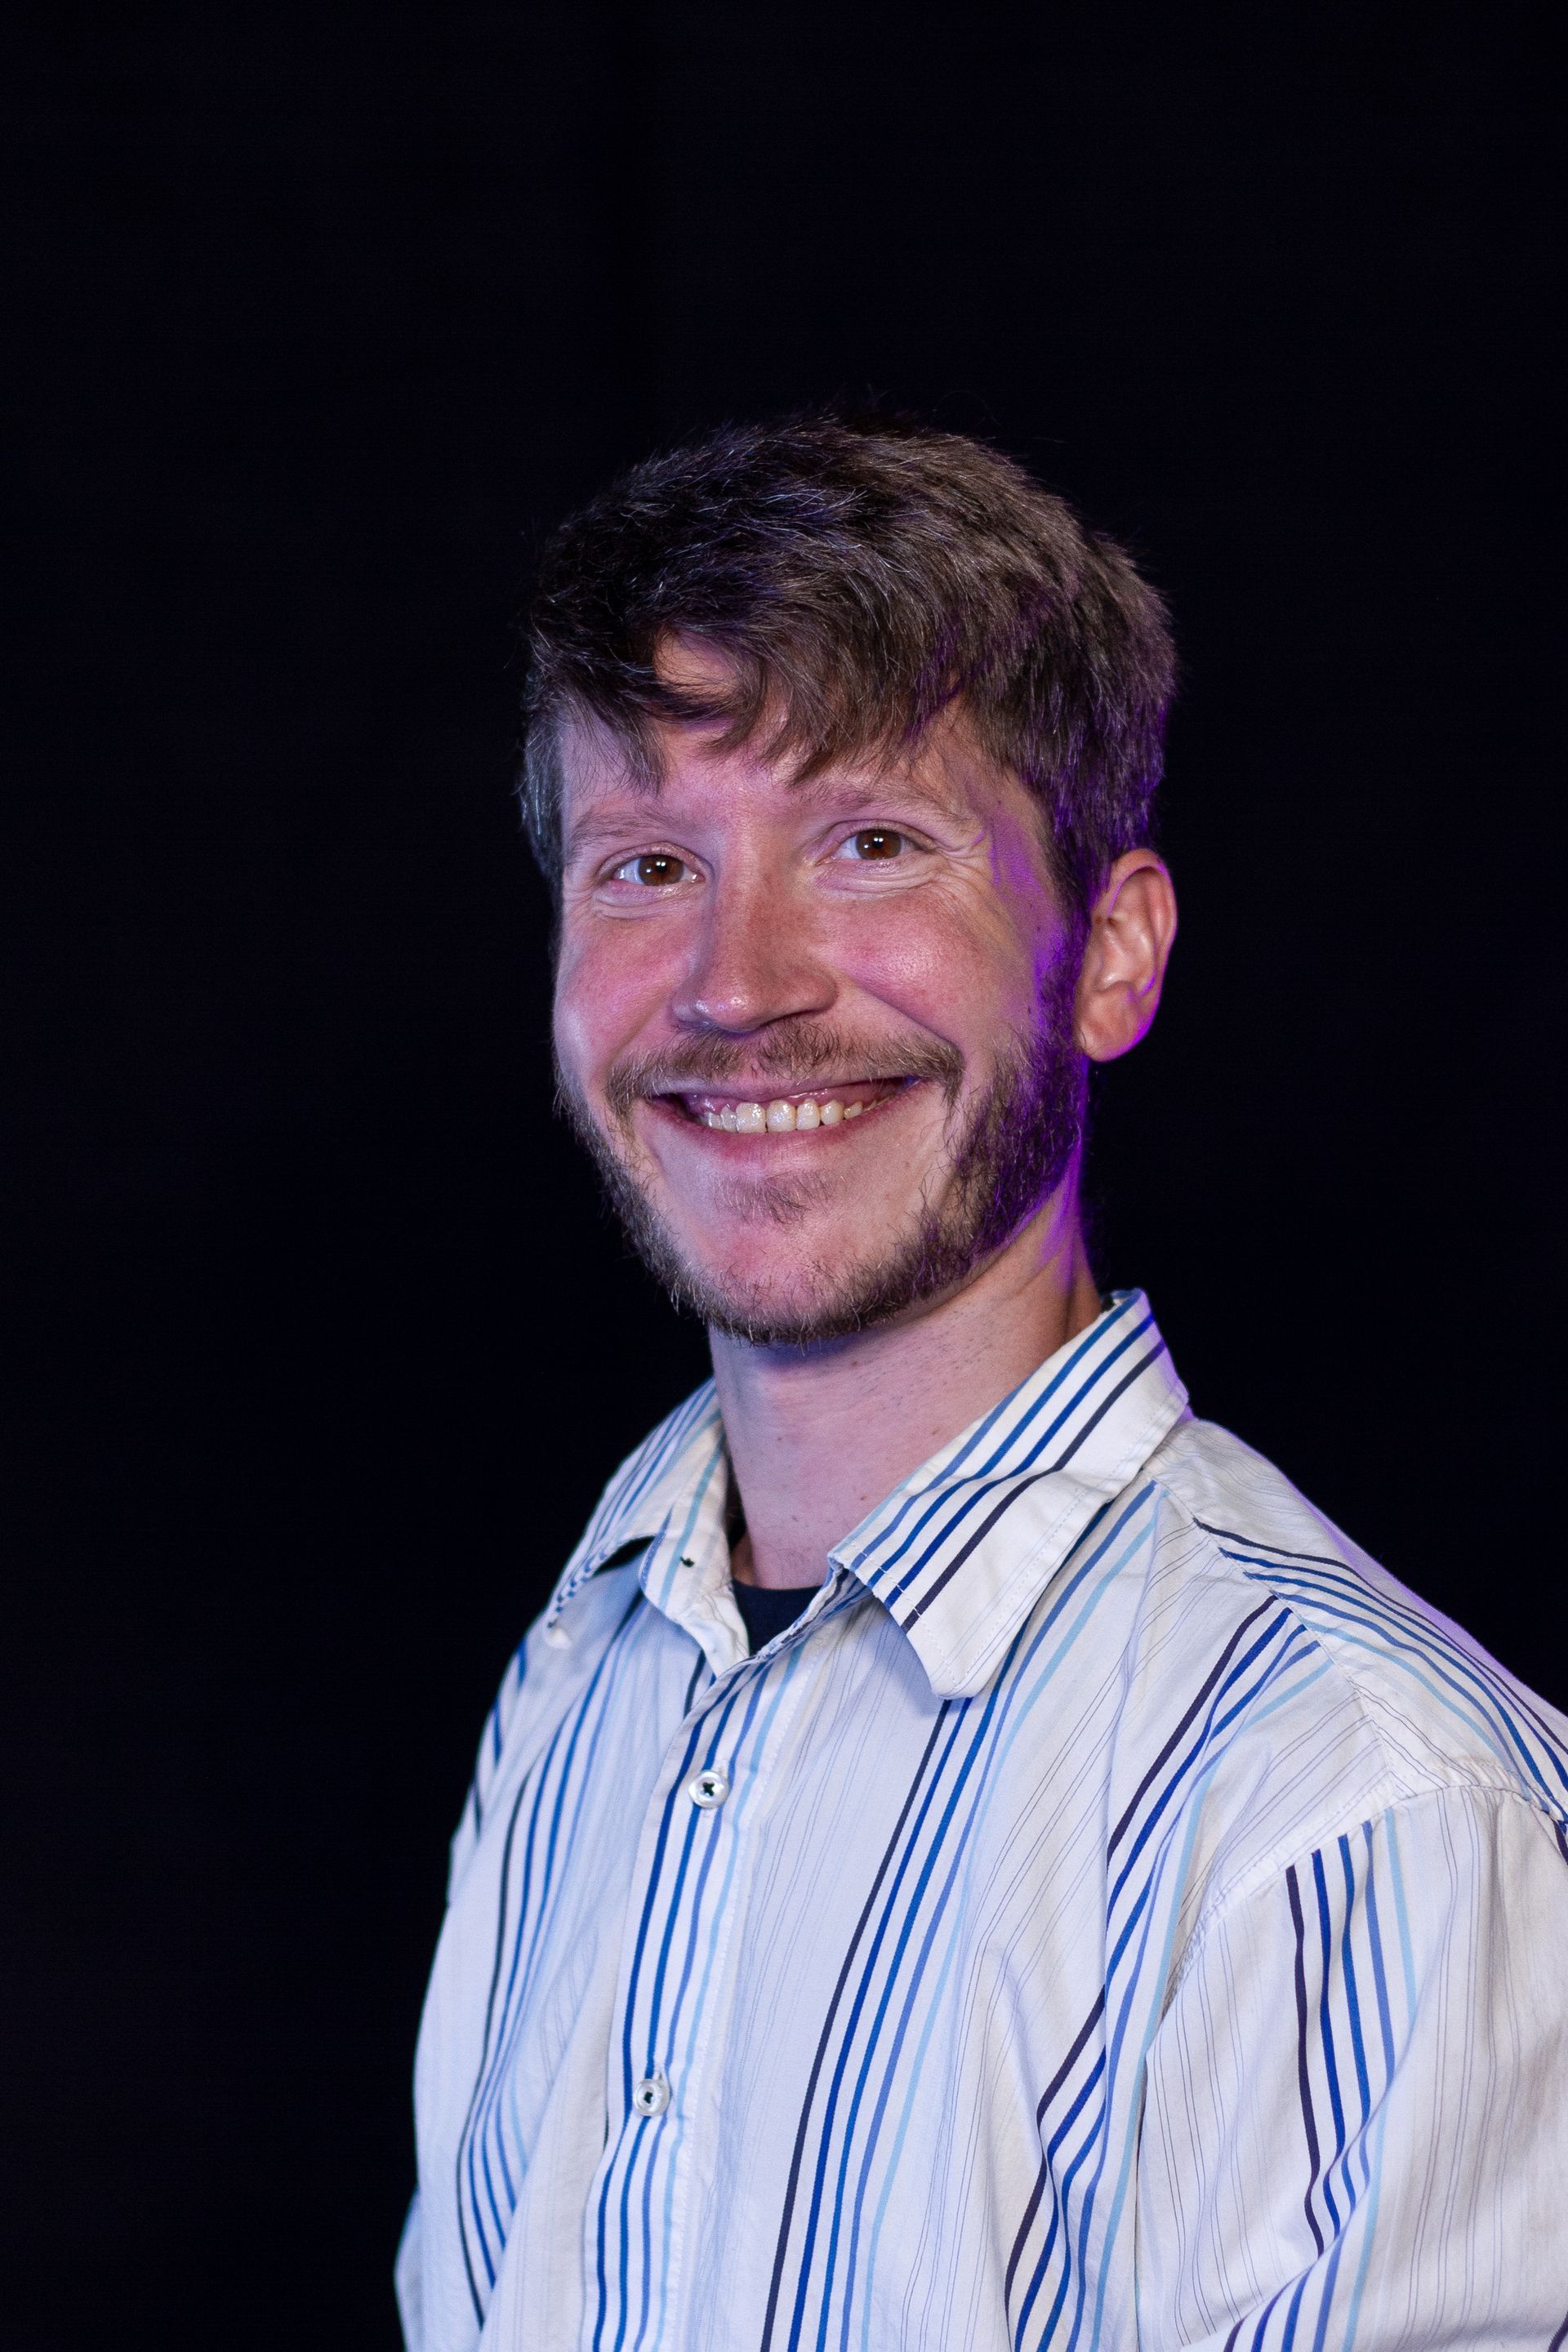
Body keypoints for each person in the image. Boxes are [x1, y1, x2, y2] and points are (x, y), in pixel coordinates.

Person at [396, 415, 1568, 2352]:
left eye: (870, 844)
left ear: (1108, 956)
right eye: (649, 863)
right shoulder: (582, 1683)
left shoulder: (1364, 1806)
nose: (734, 981)